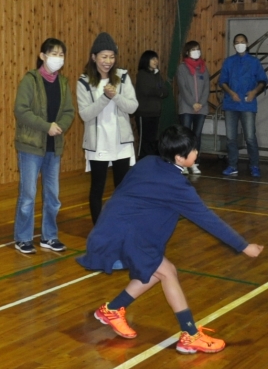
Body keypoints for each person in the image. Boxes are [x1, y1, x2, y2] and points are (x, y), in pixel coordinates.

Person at [78, 125, 264, 353]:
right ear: (179, 157)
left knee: (154, 272)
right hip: (124, 236)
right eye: (193, 150)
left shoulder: (148, 162)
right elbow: (208, 219)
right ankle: (190, 335)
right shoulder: (176, 185)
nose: (196, 152)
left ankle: (113, 309)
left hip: (111, 228)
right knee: (167, 272)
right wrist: (244, 246)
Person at [13, 38, 75, 255]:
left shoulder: (63, 83)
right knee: (28, 195)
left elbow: (69, 112)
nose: (58, 58)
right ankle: (23, 238)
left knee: (52, 195)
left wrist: (60, 127)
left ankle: (49, 236)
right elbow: (21, 110)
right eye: (53, 54)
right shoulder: (30, 80)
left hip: (53, 147)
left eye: (61, 54)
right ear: (42, 56)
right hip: (31, 147)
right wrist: (46, 126)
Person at [77, 32, 139, 224]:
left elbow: (133, 107)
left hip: (121, 143)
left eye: (112, 57)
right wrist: (105, 98)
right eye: (104, 56)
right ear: (94, 57)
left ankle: (119, 224)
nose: (108, 61)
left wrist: (115, 96)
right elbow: (85, 114)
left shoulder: (122, 77)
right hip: (98, 143)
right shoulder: (84, 81)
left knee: (122, 187)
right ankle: (99, 228)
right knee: (97, 187)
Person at [220, 34, 267, 177]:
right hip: (231, 104)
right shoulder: (229, 62)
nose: (239, 44)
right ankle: (232, 165)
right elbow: (222, 81)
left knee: (250, 137)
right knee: (230, 138)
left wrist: (254, 92)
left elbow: (262, 81)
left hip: (248, 105)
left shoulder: (254, 62)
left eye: (242, 42)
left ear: (247, 43)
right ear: (234, 45)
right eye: (237, 42)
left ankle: (254, 165)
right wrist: (231, 93)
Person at [176, 40, 210, 174]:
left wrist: (201, 102)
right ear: (187, 52)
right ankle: (183, 163)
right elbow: (182, 88)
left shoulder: (203, 68)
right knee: (185, 135)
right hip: (186, 107)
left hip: (201, 107)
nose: (196, 52)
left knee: (197, 136)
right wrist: (192, 103)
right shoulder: (182, 68)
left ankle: (194, 162)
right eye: (193, 49)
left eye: (198, 49)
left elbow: (206, 87)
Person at [135, 49, 168, 160]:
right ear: (146, 60)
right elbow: (147, 91)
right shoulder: (142, 74)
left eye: (156, 59)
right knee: (144, 141)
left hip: (155, 113)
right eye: (153, 59)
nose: (156, 61)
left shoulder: (157, 74)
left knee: (152, 139)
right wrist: (159, 91)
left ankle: (150, 162)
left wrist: (159, 91)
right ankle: (142, 161)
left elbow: (165, 91)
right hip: (144, 113)